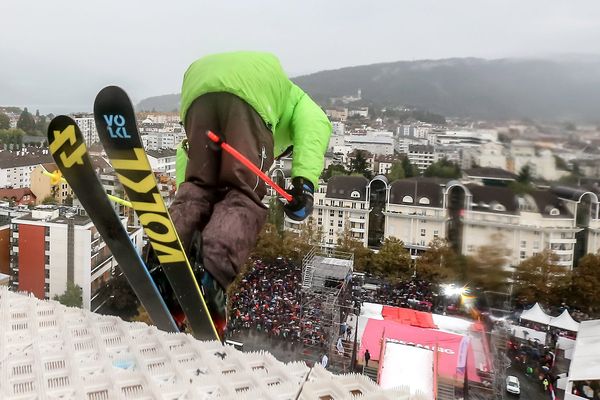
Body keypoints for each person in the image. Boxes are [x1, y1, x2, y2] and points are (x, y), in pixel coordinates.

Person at [170, 51, 332, 338]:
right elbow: (316, 125)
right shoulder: (296, 100)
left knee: (197, 190)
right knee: (242, 195)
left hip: (197, 88)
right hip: (253, 92)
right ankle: (212, 275)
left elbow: (187, 162)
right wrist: (305, 184)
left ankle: (166, 258)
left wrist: (183, 194)